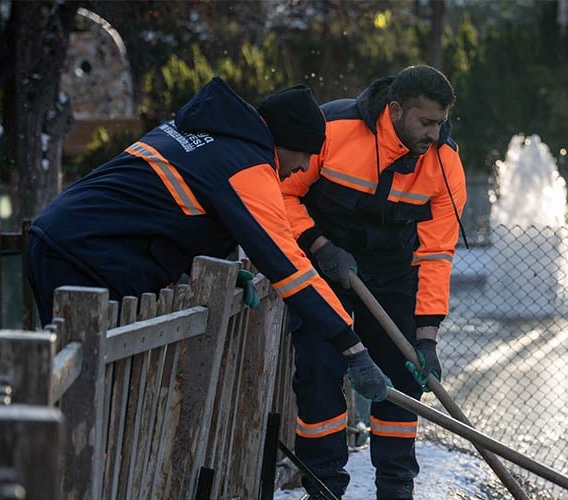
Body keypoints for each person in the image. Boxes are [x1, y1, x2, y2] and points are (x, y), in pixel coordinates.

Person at [25, 78, 388, 404]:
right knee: (89, 391)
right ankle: (48, 469)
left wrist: (222, 269)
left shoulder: (205, 134)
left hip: (60, 237)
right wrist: (352, 347)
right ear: (285, 141)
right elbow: (291, 268)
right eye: (306, 153)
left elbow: (164, 211)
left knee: (74, 378)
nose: (305, 166)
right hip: (85, 255)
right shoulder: (247, 167)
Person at [280, 65, 467, 500]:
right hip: (324, 270)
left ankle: (395, 499)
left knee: (405, 375)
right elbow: (280, 193)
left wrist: (427, 335)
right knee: (320, 373)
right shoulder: (334, 131)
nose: (435, 133)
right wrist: (320, 245)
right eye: (426, 122)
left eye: (441, 123)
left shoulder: (444, 163)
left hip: (392, 276)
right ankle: (323, 492)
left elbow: (436, 253)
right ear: (396, 110)